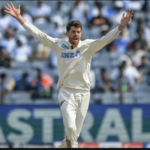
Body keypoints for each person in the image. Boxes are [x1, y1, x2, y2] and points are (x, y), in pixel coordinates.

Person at [4, 2, 133, 148]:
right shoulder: (59, 45)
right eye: (73, 32)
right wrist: (20, 18)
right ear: (67, 33)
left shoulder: (87, 46)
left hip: (84, 94)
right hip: (66, 93)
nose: (76, 35)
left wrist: (120, 27)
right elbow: (38, 34)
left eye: (78, 32)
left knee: (72, 139)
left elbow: (105, 39)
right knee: (70, 130)